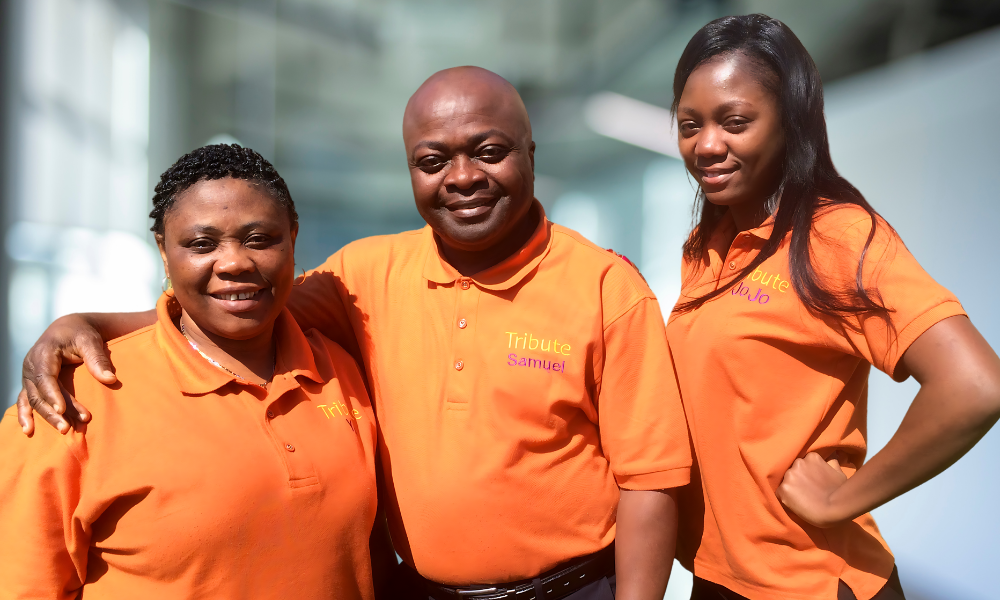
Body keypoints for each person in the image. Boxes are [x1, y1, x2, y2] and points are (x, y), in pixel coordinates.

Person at [16, 67, 693, 600]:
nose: (462, 178)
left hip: (573, 590)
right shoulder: (365, 277)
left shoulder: (606, 288)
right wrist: (92, 323)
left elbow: (651, 483)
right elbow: (240, 307)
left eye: (489, 152)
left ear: (530, 152)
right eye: (433, 160)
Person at [665, 14, 1000, 600]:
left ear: (790, 122)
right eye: (689, 125)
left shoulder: (834, 236)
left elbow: (976, 385)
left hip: (809, 583)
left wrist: (843, 497)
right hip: (718, 578)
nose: (707, 144)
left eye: (735, 121)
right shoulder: (707, 247)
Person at [0, 144, 380, 598]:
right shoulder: (74, 402)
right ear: (163, 250)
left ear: (293, 239)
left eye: (260, 239)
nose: (235, 262)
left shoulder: (340, 369)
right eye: (202, 244)